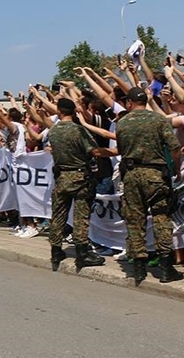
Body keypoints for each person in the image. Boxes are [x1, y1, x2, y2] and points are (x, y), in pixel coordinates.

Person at [115, 87, 183, 286]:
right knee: (161, 217)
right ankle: (165, 266)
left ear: (130, 102)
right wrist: (176, 169)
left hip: (131, 175)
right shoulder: (158, 120)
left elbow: (121, 149)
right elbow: (175, 147)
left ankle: (138, 266)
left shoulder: (122, 122)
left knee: (135, 220)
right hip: (155, 174)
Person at [48, 98, 117, 271]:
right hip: (79, 177)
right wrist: (114, 151)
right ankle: (82, 253)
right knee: (81, 216)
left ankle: (56, 250)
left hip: (61, 177)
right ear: (73, 112)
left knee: (58, 215)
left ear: (59, 111)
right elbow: (93, 151)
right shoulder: (78, 130)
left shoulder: (53, 131)